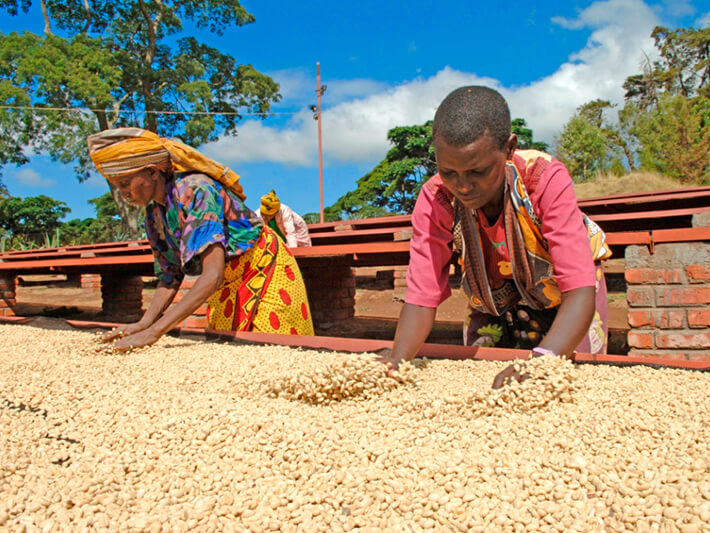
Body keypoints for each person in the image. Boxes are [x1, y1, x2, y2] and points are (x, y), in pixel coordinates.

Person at [379, 86, 611, 388]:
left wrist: (542, 364)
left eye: (478, 171)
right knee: (488, 385)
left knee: (562, 384)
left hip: (568, 302)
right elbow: (422, 297)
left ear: (509, 148)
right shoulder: (437, 199)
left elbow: (579, 289)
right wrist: (398, 360)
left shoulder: (543, 178)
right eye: (449, 172)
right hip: (493, 301)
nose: (463, 187)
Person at [87, 128, 314, 351]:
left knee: (275, 346)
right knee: (229, 349)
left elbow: (212, 275)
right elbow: (170, 276)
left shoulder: (196, 190)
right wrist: (144, 323)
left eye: (126, 184)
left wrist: (155, 332)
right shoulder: (153, 215)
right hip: (229, 277)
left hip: (264, 265)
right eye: (118, 188)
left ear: (152, 172)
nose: (124, 194)